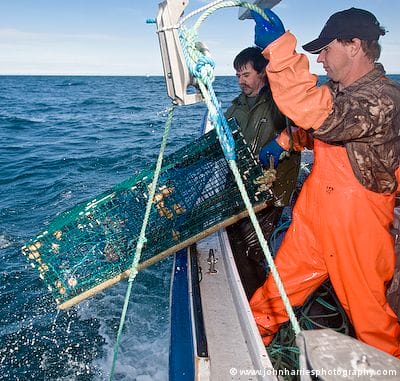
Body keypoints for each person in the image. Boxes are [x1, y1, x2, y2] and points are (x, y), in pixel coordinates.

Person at [249, 7, 400, 358]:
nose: (319, 60)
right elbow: (319, 127)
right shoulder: (342, 93)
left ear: (354, 45)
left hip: (357, 227)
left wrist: (279, 48)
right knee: (276, 294)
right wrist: (286, 141)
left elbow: (321, 113)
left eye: (325, 49)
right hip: (315, 219)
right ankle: (247, 343)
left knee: (372, 321)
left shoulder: (384, 99)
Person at [224, 47, 302, 298]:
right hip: (239, 187)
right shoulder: (235, 106)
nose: (241, 81)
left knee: (254, 248)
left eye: (246, 74)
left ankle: (258, 303)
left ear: (263, 74)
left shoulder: (279, 104)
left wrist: (283, 143)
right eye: (237, 75)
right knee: (236, 240)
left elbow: (302, 127)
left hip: (270, 192)